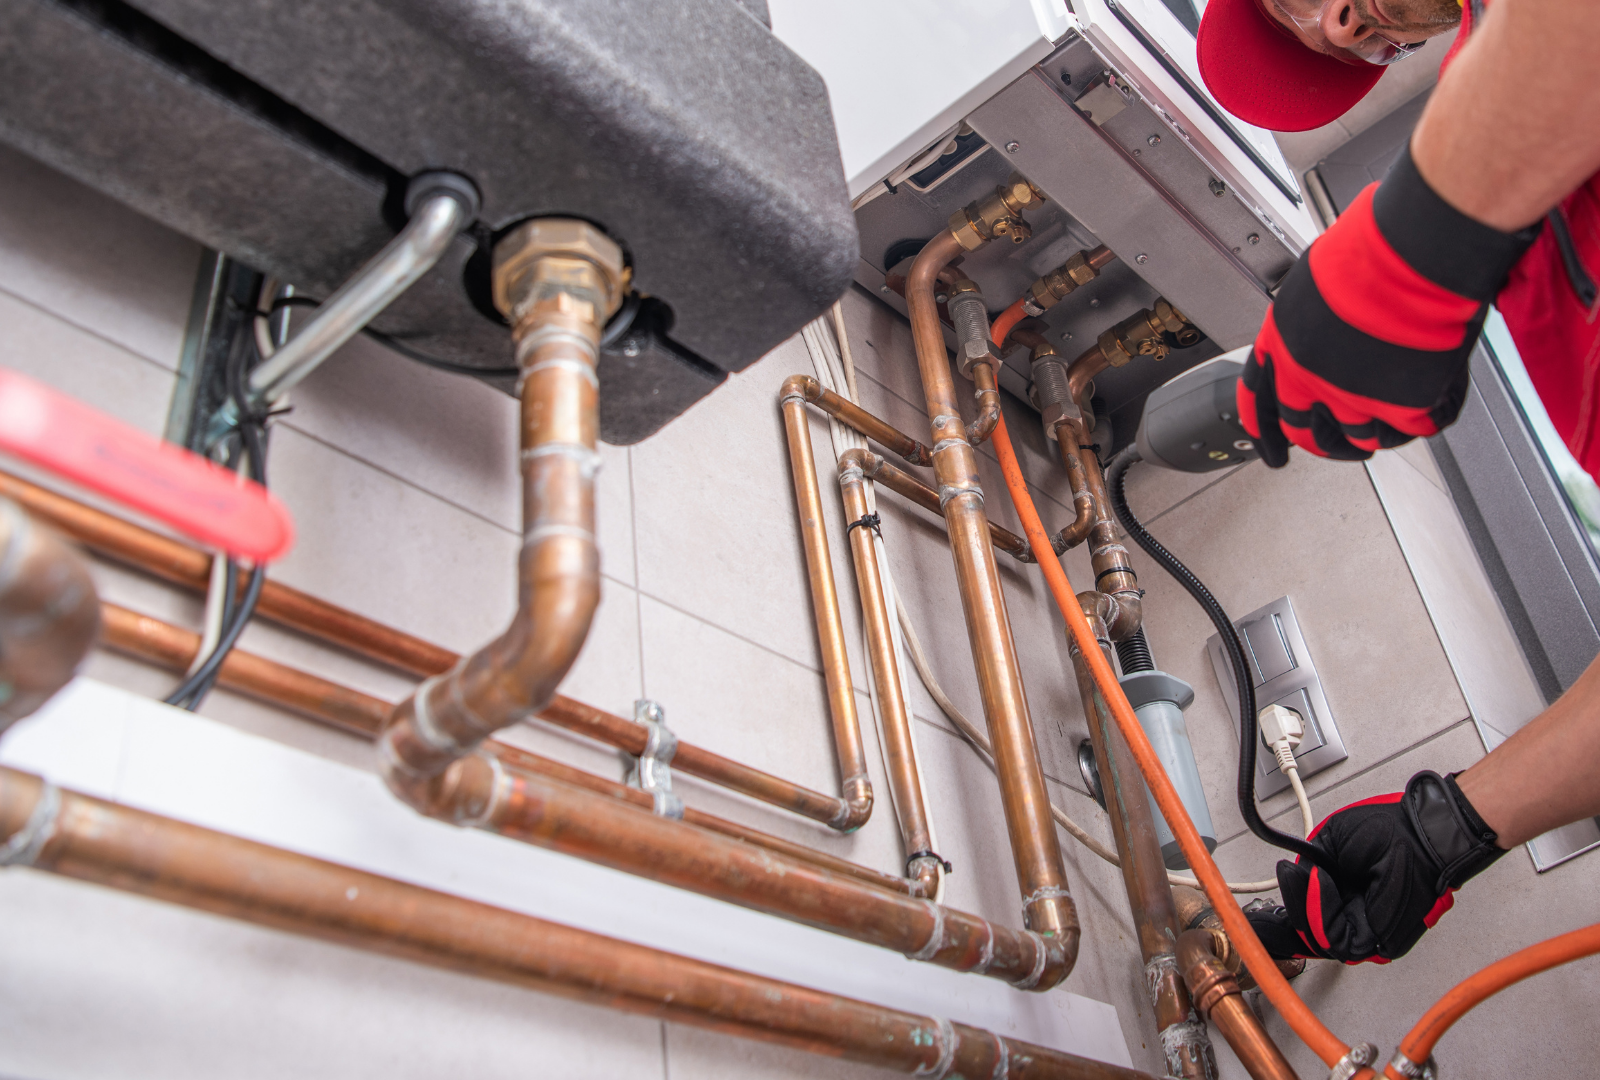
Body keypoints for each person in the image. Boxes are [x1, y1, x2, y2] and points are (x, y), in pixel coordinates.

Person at [1190, 0, 1600, 964]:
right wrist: (1450, 827)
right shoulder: (1529, 211)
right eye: (1346, 42)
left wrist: (1419, 244)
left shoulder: (1497, 144)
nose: (1336, 25)